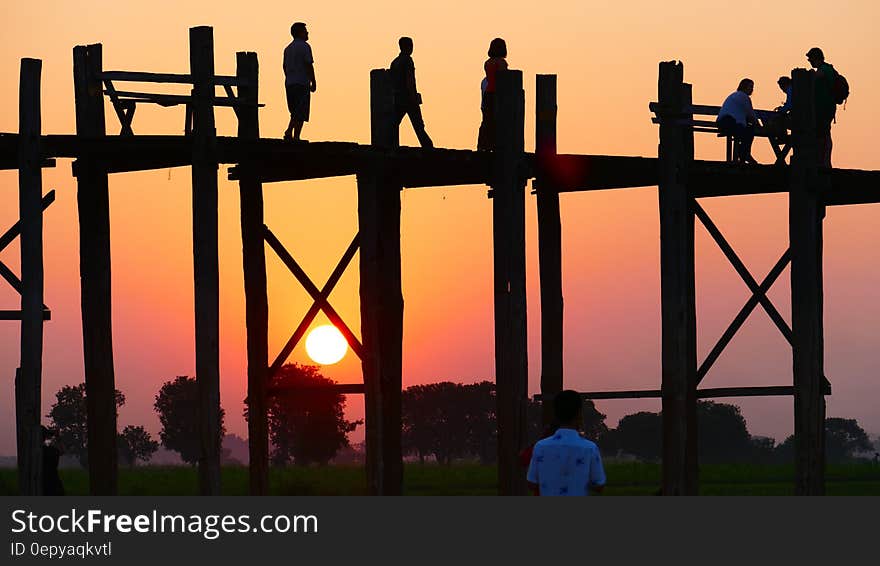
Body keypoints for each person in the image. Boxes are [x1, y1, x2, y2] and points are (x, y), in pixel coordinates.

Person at [526, 390, 606, 496]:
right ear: (579, 414)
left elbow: (532, 482)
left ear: (555, 414)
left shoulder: (540, 447)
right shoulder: (590, 448)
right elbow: (599, 484)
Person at [389, 37, 433, 148]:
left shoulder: (395, 62)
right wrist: (414, 97)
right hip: (408, 99)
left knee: (393, 124)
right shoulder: (407, 60)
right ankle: (428, 148)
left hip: (398, 99)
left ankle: (392, 145)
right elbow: (410, 81)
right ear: (406, 47)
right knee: (419, 126)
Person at [283, 22, 316, 142]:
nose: (307, 33)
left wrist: (289, 77)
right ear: (300, 33)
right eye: (305, 31)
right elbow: (308, 65)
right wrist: (313, 81)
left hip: (290, 83)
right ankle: (291, 133)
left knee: (295, 110)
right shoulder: (305, 46)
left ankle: (293, 135)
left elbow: (284, 67)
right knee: (301, 110)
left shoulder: (287, 49)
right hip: (302, 83)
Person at [806, 47, 838, 167]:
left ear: (816, 58)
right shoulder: (826, 69)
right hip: (825, 108)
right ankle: (824, 162)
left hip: (824, 109)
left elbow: (813, 78)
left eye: (810, 58)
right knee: (824, 134)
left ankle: (824, 162)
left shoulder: (824, 69)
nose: (809, 61)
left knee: (822, 135)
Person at [717, 78, 760, 164]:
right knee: (750, 131)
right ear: (744, 87)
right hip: (730, 123)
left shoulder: (734, 95)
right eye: (750, 87)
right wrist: (759, 126)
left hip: (722, 123)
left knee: (745, 130)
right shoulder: (744, 97)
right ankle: (744, 154)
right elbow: (751, 115)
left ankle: (743, 153)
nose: (752, 89)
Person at [476, 38, 508, 151]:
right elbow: (503, 79)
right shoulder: (502, 63)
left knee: (486, 121)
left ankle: (483, 144)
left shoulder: (487, 63)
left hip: (488, 94)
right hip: (497, 94)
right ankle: (496, 144)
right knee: (498, 120)